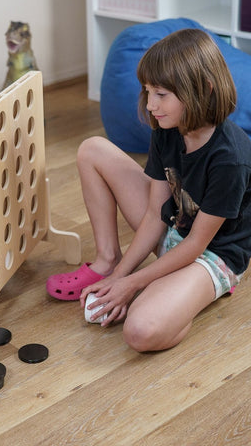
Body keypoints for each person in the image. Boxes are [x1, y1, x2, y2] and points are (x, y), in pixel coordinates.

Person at [46, 28, 251, 352]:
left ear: (204, 89)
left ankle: (194, 295)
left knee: (140, 332)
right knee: (92, 149)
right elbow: (158, 211)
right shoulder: (168, 126)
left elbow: (198, 243)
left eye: (161, 94)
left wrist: (135, 284)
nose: (151, 104)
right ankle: (108, 260)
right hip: (174, 227)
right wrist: (120, 277)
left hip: (212, 253)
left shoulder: (232, 159)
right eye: (147, 91)